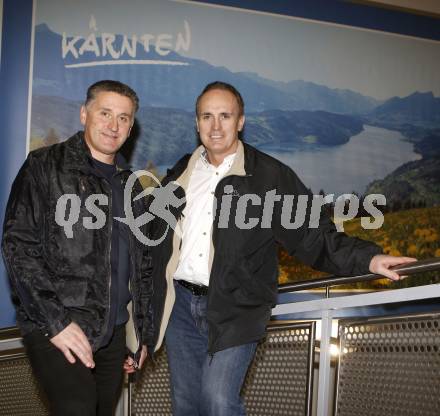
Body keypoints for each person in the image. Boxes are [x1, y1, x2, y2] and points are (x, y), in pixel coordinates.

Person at [149, 81, 416, 416]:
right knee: (186, 404)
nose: (216, 126)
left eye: (225, 116)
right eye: (207, 116)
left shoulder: (270, 177)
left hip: (237, 307)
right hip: (181, 308)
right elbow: (155, 232)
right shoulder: (183, 171)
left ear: (241, 121)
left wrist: (369, 258)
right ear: (197, 122)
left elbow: (312, 236)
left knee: (219, 400)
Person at [2, 80, 154, 416]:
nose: (113, 125)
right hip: (58, 324)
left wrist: (141, 335)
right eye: (105, 113)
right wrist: (56, 322)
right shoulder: (44, 166)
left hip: (113, 334)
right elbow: (18, 246)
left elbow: (141, 267)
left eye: (124, 118)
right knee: (78, 407)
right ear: (84, 114)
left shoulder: (132, 188)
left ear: (131, 127)